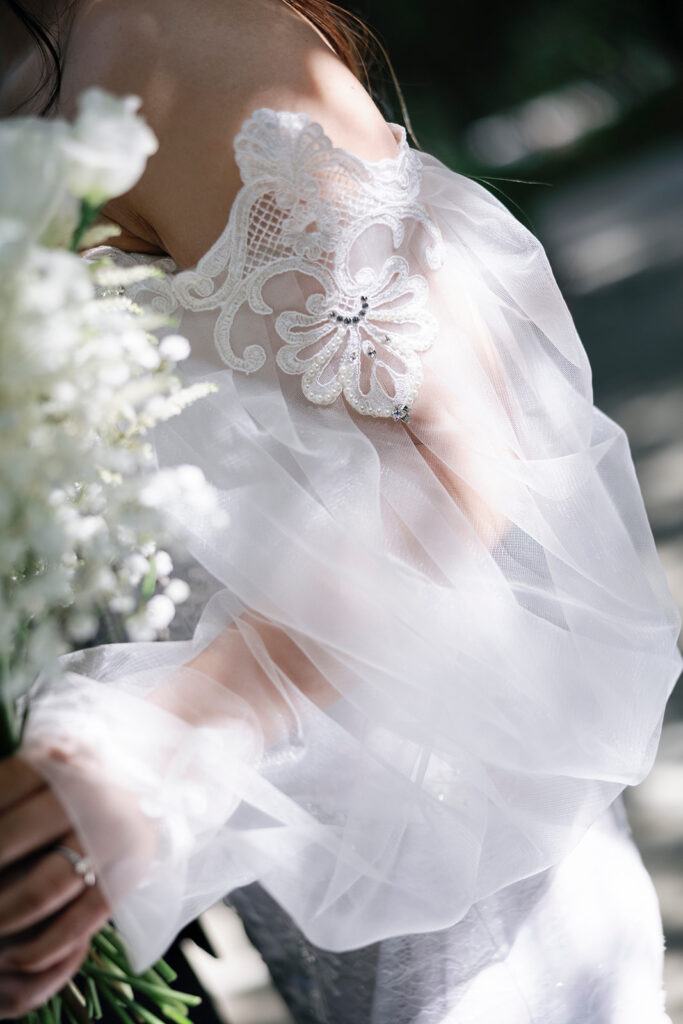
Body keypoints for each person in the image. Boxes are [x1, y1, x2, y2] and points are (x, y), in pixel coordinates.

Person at [1, 1, 682, 1021]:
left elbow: (453, 455)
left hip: (441, 830)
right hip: (263, 852)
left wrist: (161, 742)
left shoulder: (174, 37)